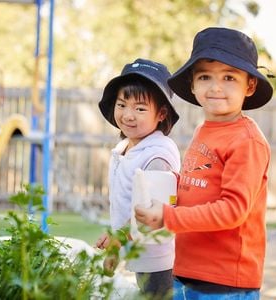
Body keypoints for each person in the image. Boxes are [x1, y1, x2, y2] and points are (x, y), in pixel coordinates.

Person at [135, 27, 274, 299]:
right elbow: (200, 180)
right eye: (205, 76)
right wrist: (171, 181)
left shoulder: (247, 141)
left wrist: (168, 216)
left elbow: (233, 210)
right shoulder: (204, 130)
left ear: (250, 85)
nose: (215, 87)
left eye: (229, 77)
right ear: (193, 84)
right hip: (189, 269)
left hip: (226, 281)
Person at [95, 58, 181, 298]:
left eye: (140, 108)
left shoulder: (158, 156)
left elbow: (153, 214)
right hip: (138, 250)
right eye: (122, 105)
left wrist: (118, 239)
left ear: (161, 113)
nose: (128, 115)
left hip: (159, 260)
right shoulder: (126, 148)